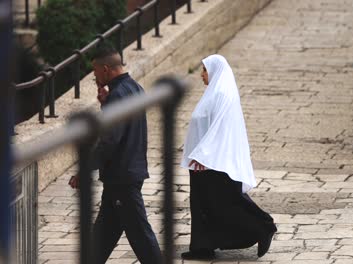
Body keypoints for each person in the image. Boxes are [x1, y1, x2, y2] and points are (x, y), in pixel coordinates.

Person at [68, 44, 162, 264]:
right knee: (102, 236)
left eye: (95, 72)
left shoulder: (117, 95)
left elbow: (110, 140)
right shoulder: (135, 88)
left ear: (106, 69)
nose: (95, 77)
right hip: (127, 173)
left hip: (123, 178)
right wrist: (104, 105)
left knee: (141, 236)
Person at [180, 54, 277, 260]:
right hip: (204, 161)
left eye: (205, 70)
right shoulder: (213, 93)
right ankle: (202, 247)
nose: (201, 75)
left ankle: (263, 226)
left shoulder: (222, 94)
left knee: (227, 204)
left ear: (215, 70)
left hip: (213, 161)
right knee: (203, 204)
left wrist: (203, 154)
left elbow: (220, 129)